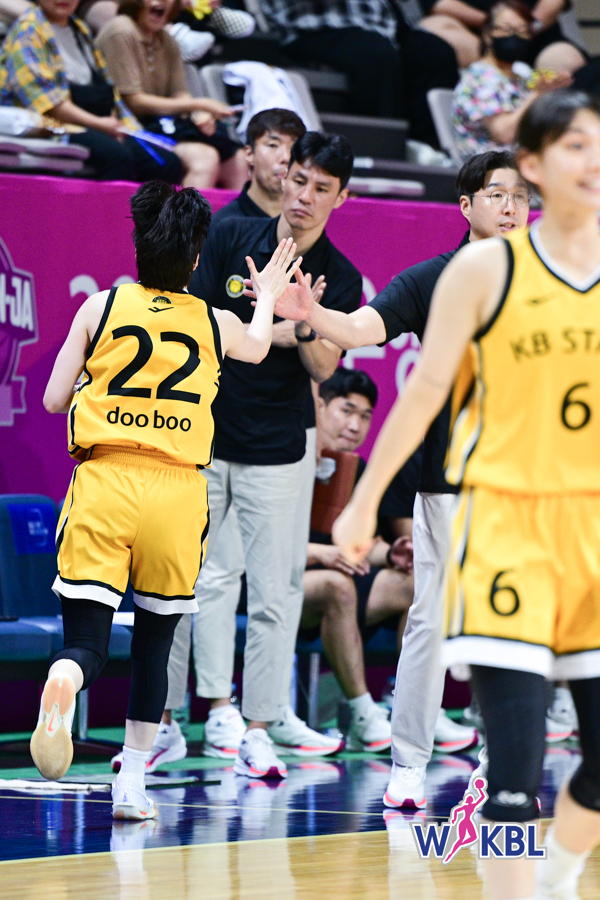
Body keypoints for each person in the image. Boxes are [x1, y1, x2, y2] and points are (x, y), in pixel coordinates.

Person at [333, 89, 600, 900]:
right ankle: (422, 775)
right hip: (488, 511)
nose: (590, 161)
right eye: (574, 146)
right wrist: (362, 502)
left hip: (582, 525)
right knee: (507, 759)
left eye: (598, 146)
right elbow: (412, 383)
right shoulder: (467, 273)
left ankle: (554, 869)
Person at [31, 180, 303, 821]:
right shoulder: (213, 320)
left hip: (105, 480)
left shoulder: (99, 307)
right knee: (155, 647)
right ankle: (132, 786)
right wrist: (266, 295)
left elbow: (51, 399)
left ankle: (66, 678)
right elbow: (258, 346)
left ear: (138, 248)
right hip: (178, 491)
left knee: (88, 642)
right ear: (196, 258)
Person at [269, 148, 529, 807]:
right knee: (432, 625)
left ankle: (508, 770)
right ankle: (409, 765)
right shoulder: (432, 279)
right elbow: (362, 327)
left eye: (521, 198)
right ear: (465, 206)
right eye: (497, 195)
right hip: (450, 483)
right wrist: (312, 316)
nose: (511, 208)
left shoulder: (552, 286)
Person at [180, 131, 362, 780]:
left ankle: (259, 726)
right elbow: (197, 323)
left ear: (341, 198)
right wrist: (268, 329)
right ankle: (211, 710)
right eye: (299, 179)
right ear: (284, 177)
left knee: (275, 595)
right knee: (203, 579)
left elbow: (324, 367)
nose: (304, 196)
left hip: (281, 445)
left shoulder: (341, 275)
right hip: (209, 433)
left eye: (321, 188)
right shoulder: (232, 234)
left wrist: (303, 319)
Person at [300, 368, 417, 752]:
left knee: (416, 584)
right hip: (279, 581)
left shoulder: (359, 470)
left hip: (340, 583)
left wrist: (391, 553)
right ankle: (363, 713)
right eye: (346, 410)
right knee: (336, 585)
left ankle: (409, 708)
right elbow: (262, 547)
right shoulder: (287, 458)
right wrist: (324, 554)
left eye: (365, 416)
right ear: (320, 408)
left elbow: (363, 545)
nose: (355, 425)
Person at [0, 0, 183, 182]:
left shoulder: (80, 29)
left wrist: (121, 127)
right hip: (53, 127)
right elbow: (48, 104)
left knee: (167, 162)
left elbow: (106, 89)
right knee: (117, 156)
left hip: (94, 123)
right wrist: (100, 125)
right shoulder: (28, 30)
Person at [259, 0, 459, 149]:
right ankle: (386, 150)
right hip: (315, 25)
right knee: (375, 55)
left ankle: (426, 149)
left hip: (383, 26)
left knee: (436, 54)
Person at [96, 0, 248, 188]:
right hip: (128, 125)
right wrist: (198, 105)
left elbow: (179, 92)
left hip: (161, 123)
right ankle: (183, 209)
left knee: (238, 160)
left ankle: (231, 210)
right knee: (204, 158)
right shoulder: (121, 30)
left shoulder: (167, 40)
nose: (161, 1)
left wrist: (198, 114)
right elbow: (133, 102)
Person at [452, 0, 573, 160]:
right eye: (505, 29)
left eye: (522, 31)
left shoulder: (519, 77)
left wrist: (550, 93)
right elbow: (504, 134)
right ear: (487, 35)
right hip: (492, 164)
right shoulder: (480, 76)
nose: (514, 36)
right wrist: (537, 93)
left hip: (524, 159)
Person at [420, 0, 587, 70]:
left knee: (568, 62)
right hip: (477, 41)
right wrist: (496, 24)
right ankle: (496, 78)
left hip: (536, 36)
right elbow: (438, 4)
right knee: (432, 28)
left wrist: (528, 26)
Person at [212, 107, 307, 224]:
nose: (286, 157)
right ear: (249, 153)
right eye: (273, 145)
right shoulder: (224, 225)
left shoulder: (307, 222)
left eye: (293, 148)